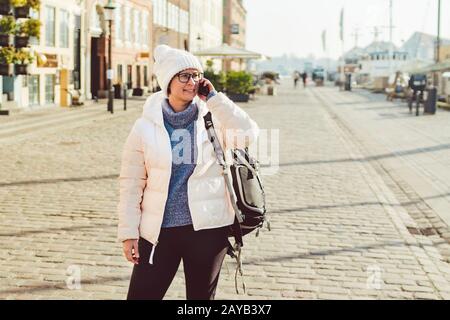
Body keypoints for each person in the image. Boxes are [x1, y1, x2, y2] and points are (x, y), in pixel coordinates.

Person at [117, 44, 260, 300]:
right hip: (159, 232)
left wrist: (215, 99)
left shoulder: (214, 119)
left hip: (207, 230)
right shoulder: (144, 127)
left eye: (196, 75)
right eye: (184, 75)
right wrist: (129, 233)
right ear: (168, 82)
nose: (192, 82)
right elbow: (131, 183)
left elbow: (248, 134)